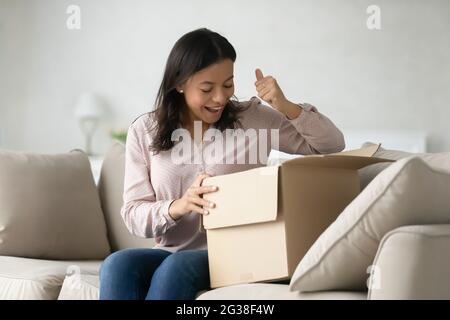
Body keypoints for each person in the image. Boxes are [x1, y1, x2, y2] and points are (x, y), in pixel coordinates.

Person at [99, 28, 345, 300]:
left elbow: (330, 144)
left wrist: (284, 105)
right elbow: (134, 214)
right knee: (117, 264)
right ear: (179, 84)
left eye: (228, 85)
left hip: (239, 253)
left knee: (176, 268)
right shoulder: (145, 129)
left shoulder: (252, 118)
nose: (220, 98)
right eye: (207, 88)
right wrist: (177, 206)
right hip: (172, 250)